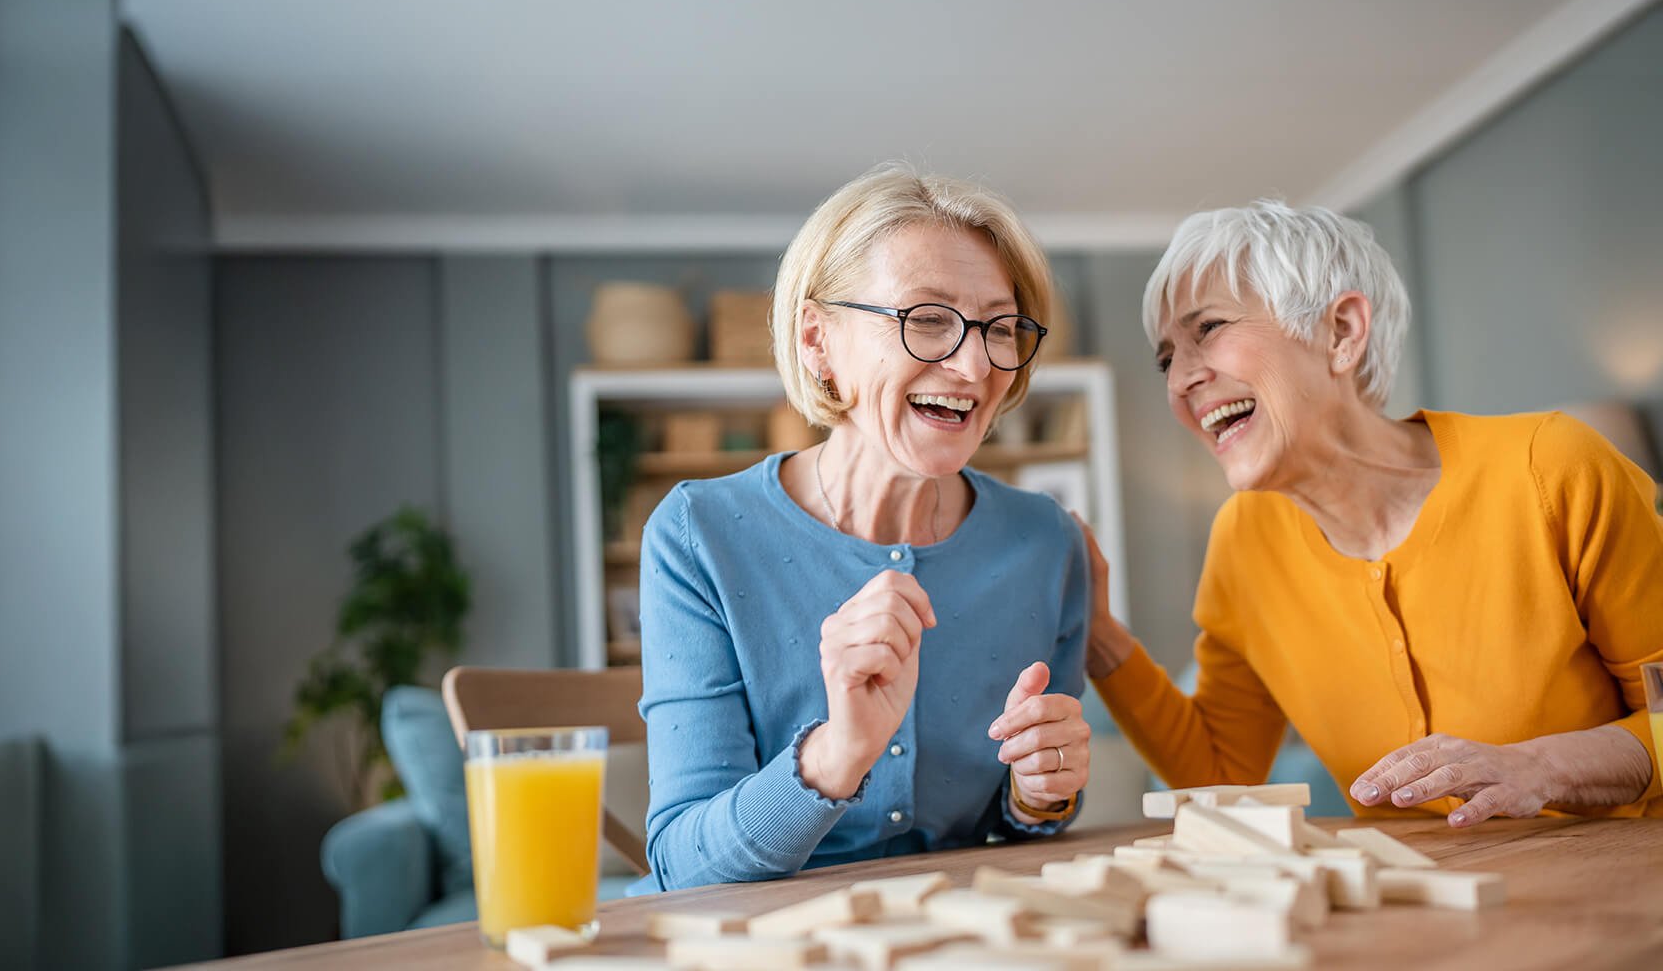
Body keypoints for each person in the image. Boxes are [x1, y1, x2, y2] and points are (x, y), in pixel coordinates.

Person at [1083, 199, 1662, 827]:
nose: (1181, 380)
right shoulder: (1243, 540)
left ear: (1341, 333)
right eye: (1167, 359)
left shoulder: (1551, 467)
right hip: (1408, 914)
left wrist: (1542, 769)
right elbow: (1223, 773)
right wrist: (1098, 632)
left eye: (1209, 328)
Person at [631, 165, 1094, 893]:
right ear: (818, 340)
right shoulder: (699, 535)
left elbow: (1022, 821)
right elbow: (683, 867)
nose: (975, 364)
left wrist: (1042, 793)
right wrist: (838, 752)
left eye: (1000, 328)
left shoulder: (1047, 542)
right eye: (928, 319)